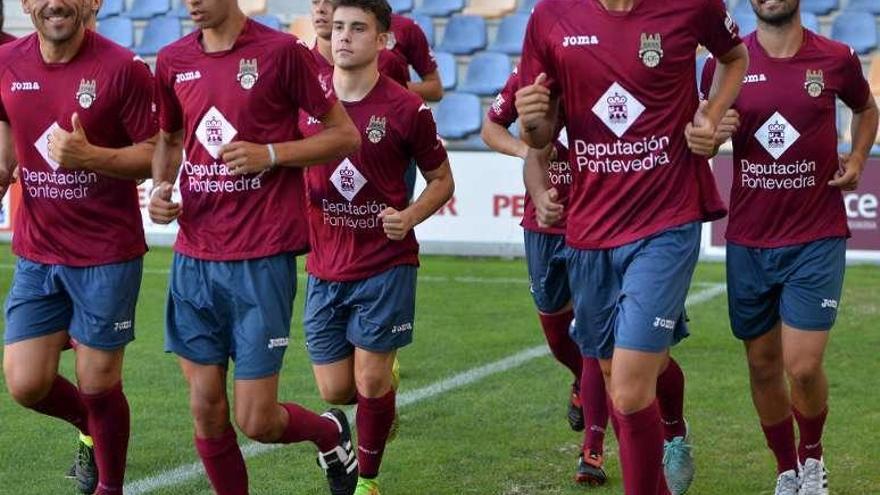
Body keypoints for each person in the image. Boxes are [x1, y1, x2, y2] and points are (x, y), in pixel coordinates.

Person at [515, 0, 749, 493]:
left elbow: (735, 57)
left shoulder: (692, 5)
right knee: (611, 372)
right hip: (591, 227)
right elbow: (539, 136)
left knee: (627, 385)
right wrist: (530, 119)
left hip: (667, 219)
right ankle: (666, 451)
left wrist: (709, 116)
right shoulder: (550, 16)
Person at [148, 0, 362, 493]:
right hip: (194, 256)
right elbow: (169, 137)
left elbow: (344, 136)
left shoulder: (283, 52)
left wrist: (271, 153)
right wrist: (161, 190)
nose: (192, 3)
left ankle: (329, 432)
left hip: (260, 260)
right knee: (205, 407)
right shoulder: (172, 59)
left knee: (257, 421)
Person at [702, 1, 879, 493]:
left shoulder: (836, 57)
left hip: (816, 234)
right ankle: (785, 469)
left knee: (801, 365)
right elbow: (698, 135)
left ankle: (813, 457)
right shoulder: (726, 62)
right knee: (761, 365)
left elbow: (866, 109)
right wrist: (714, 134)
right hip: (750, 239)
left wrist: (859, 155)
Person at [0, 0, 158, 493]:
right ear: (26, 4)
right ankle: (92, 428)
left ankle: (109, 485)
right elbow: (5, 120)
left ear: (94, 3)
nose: (54, 4)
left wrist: (91, 156)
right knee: (26, 385)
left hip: (106, 254)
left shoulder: (123, 68)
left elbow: (157, 154)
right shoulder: (7, 62)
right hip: (37, 251)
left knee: (97, 383)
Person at [298, 0, 454, 492]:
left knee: (367, 381)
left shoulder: (406, 109)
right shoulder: (307, 105)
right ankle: (364, 404)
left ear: (383, 40)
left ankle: (367, 480)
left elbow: (442, 180)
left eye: (358, 28)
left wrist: (408, 216)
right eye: (339, 27)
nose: (343, 36)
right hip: (325, 266)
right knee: (335, 389)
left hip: (387, 264)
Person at [481, 65, 610, 486]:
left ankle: (593, 447)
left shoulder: (606, 62)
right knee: (558, 336)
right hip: (543, 225)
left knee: (592, 335)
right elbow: (490, 128)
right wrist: (528, 153)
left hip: (598, 225)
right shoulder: (529, 74)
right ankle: (580, 380)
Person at [309, 0, 409, 88]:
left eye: (330, 1)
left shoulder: (387, 60)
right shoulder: (302, 63)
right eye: (315, 1)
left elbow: (403, 100)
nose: (320, 9)